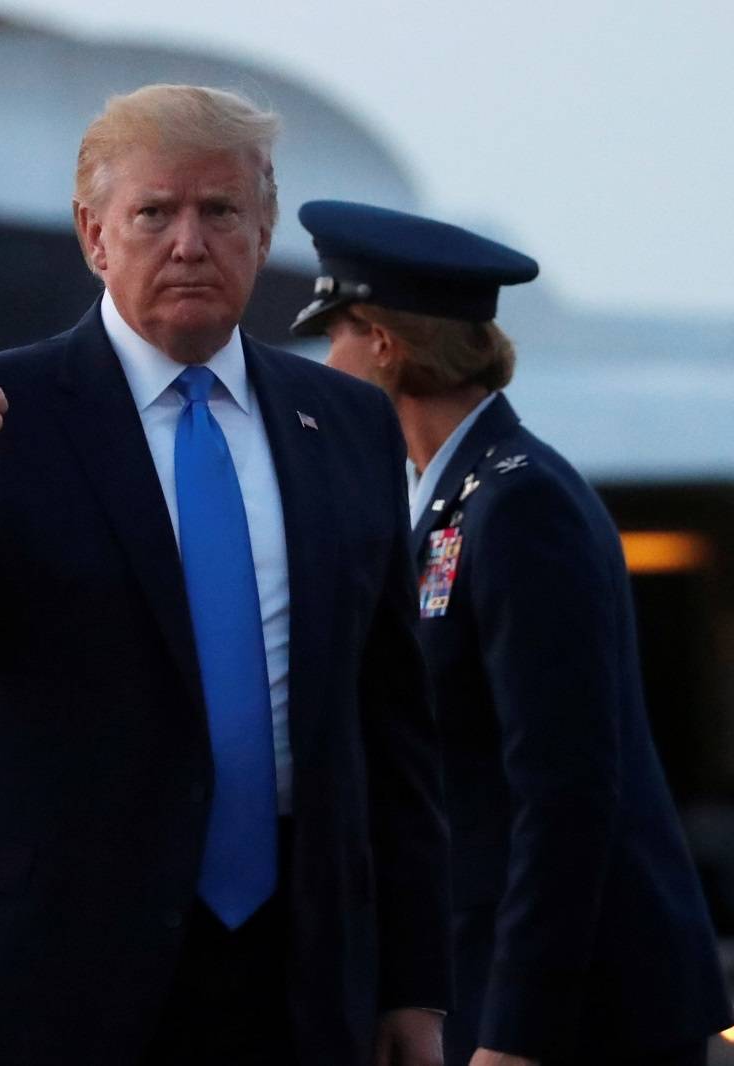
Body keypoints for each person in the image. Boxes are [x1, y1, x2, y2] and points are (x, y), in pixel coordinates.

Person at [0, 85, 451, 1066]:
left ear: (263, 228)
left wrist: (414, 981)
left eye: (219, 212)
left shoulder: (345, 424)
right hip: (41, 975)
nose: (189, 243)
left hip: (287, 977)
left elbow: (390, 723)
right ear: (93, 236)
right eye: (153, 213)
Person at [292, 199, 732, 1066]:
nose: (324, 361)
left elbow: (564, 793)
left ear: (381, 343)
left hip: (575, 1014)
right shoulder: (452, 497)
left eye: (334, 334)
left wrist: (516, 1032)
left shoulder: (521, 502)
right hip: (492, 983)